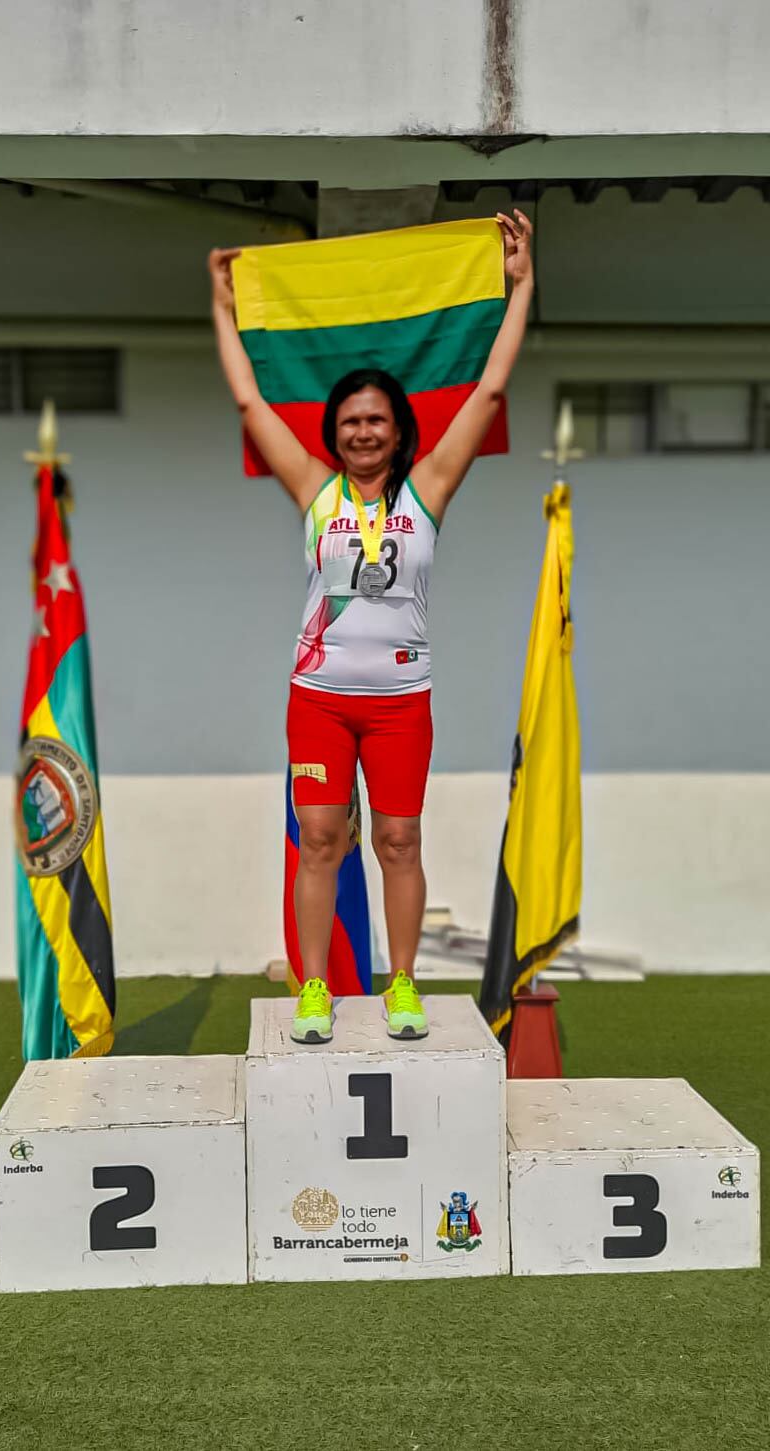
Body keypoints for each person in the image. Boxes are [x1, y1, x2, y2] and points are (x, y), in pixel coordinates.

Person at [209, 211, 534, 1044]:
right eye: (351, 420)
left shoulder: (428, 489)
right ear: (335, 431)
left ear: (397, 431)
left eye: (376, 420)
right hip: (318, 698)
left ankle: (403, 984)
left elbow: (489, 392)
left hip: (400, 703)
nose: (362, 430)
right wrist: (223, 308)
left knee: (397, 840)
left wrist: (519, 286)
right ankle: (315, 988)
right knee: (320, 839)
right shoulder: (313, 488)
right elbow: (248, 399)